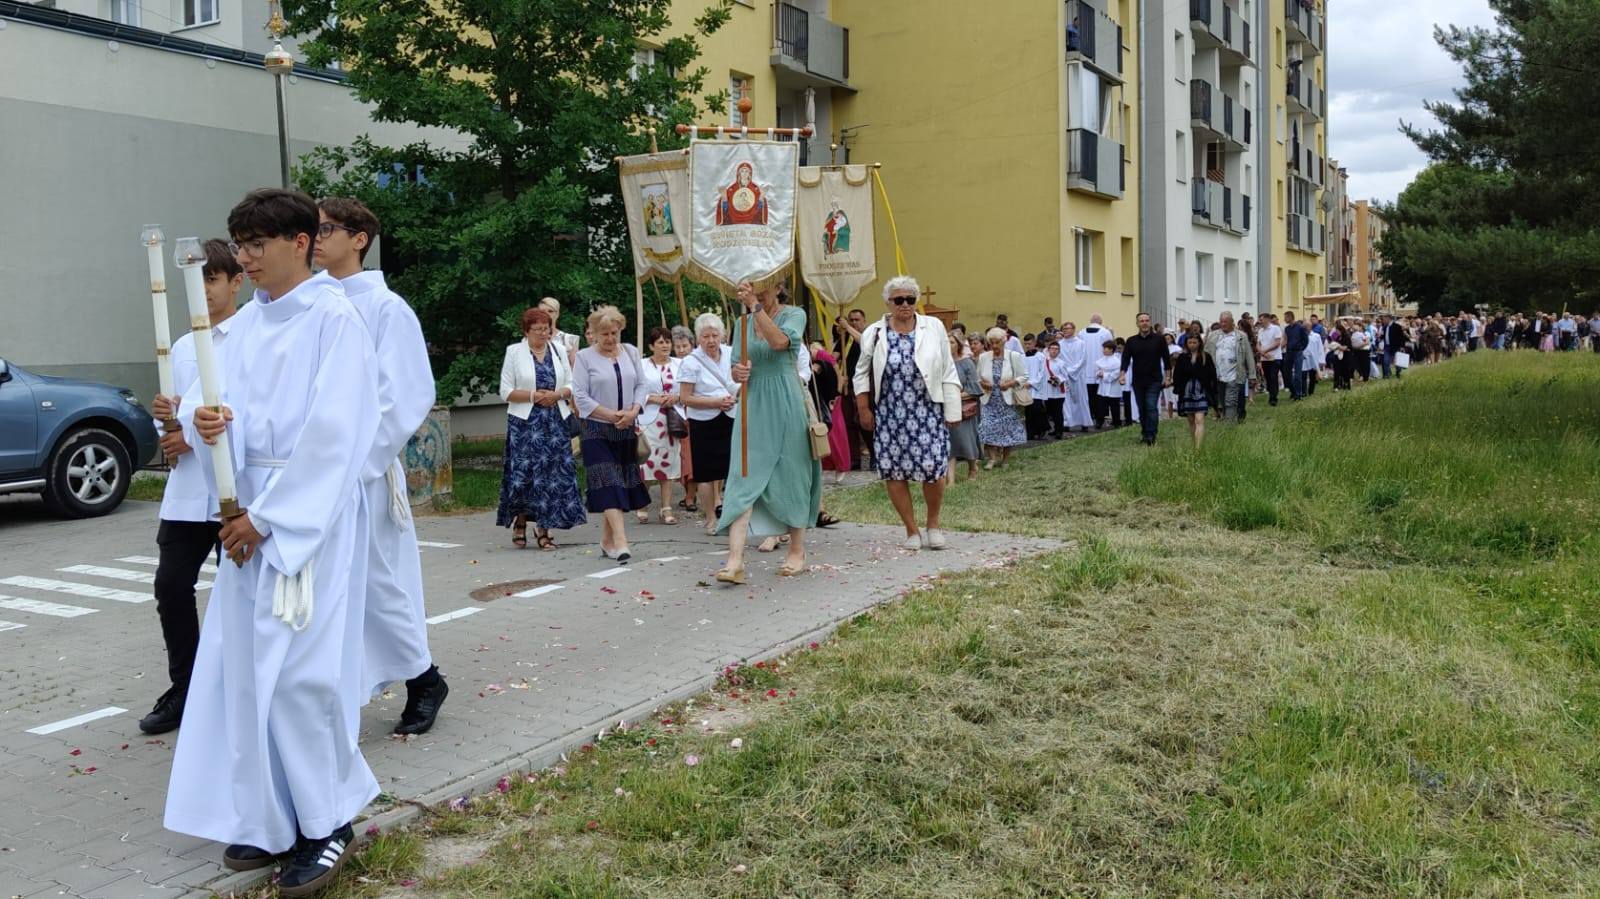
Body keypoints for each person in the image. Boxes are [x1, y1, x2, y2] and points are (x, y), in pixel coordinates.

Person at [167, 188, 380, 894]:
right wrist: (209, 426)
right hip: (246, 519)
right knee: (246, 672)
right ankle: (271, 819)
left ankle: (329, 822)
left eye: (257, 244)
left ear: (301, 243)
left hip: (302, 522)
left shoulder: (335, 319)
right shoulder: (249, 324)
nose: (246, 257)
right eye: (240, 244)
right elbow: (227, 413)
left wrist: (267, 517)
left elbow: (336, 434)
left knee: (300, 678)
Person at [314, 197, 447, 735]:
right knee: (332, 588)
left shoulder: (386, 308)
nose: (315, 239)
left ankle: (424, 678)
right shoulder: (313, 303)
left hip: (361, 473)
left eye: (326, 229)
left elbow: (406, 396)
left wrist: (354, 462)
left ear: (359, 239)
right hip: (316, 470)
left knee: (376, 582)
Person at [140, 239, 244, 736]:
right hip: (187, 491)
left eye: (212, 278)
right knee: (171, 586)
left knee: (235, 593)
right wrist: (168, 420)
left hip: (232, 488)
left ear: (236, 282)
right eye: (195, 280)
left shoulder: (251, 337)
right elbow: (181, 410)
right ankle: (185, 686)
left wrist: (190, 427)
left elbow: (247, 407)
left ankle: (233, 686)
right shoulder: (182, 347)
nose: (203, 290)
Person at [715, 281, 821, 584]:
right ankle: (735, 560)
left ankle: (797, 551)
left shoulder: (794, 314)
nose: (756, 291)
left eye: (762, 286)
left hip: (786, 397)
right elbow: (735, 364)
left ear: (778, 286)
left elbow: (779, 342)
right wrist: (738, 372)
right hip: (753, 401)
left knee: (792, 471)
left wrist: (755, 306)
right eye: (752, 287)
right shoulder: (742, 323)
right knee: (742, 473)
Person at [852, 276, 961, 550]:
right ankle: (911, 530)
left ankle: (933, 524)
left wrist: (953, 408)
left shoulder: (933, 327)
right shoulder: (874, 332)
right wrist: (864, 408)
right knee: (894, 472)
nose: (905, 304)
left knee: (934, 469)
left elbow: (947, 368)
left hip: (928, 410)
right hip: (890, 413)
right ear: (888, 303)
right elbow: (861, 373)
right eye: (898, 299)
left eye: (910, 299)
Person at [497, 306, 586, 552]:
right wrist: (534, 396)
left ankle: (544, 528)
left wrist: (557, 394)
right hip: (524, 423)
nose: (543, 334)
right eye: (537, 330)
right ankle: (521, 521)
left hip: (555, 420)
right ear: (526, 331)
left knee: (551, 476)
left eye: (546, 329)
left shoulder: (558, 350)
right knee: (524, 475)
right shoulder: (514, 352)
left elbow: (572, 383)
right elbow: (505, 391)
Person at [571, 306, 651, 562]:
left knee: (620, 483)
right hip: (596, 429)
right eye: (604, 334)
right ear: (594, 333)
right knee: (608, 482)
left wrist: (633, 411)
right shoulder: (584, 357)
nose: (610, 338)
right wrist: (610, 415)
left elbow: (642, 384)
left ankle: (606, 541)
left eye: (614, 333)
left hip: (626, 428)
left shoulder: (631, 352)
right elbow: (579, 395)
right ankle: (621, 542)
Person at [679, 313, 736, 534]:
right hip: (703, 421)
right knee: (705, 473)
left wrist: (734, 398)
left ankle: (732, 516)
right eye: (705, 336)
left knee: (732, 470)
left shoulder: (731, 353)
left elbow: (741, 382)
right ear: (698, 338)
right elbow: (685, 398)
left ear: (722, 335)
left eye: (714, 335)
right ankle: (710, 518)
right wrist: (714, 402)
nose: (711, 340)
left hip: (731, 416)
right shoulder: (691, 361)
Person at [637, 326, 683, 524]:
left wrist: (677, 397)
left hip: (672, 420)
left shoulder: (680, 364)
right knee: (647, 462)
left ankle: (666, 507)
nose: (665, 345)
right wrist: (652, 398)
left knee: (669, 464)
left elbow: (688, 388)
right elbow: (635, 391)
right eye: (660, 342)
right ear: (651, 346)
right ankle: (642, 504)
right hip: (650, 420)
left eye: (667, 341)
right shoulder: (642, 365)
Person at [976, 326, 1029, 468]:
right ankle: (992, 459)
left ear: (1004, 341)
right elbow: (977, 378)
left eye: (997, 342)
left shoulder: (1013, 356)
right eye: (991, 343)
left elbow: (1024, 376)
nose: (994, 346)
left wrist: (1011, 383)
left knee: (1007, 429)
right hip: (989, 400)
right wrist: (983, 384)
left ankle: (1005, 459)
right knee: (987, 427)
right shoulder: (983, 357)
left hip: (1007, 399)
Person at [1119, 312, 1167, 445]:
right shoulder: (1131, 341)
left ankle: (1151, 434)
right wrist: (1122, 375)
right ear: (1137, 324)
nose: (1144, 323)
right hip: (1138, 381)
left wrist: (1168, 377)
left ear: (1150, 323)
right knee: (1142, 408)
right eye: (1141, 321)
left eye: (1146, 320)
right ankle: (1145, 433)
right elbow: (1125, 359)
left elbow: (1166, 359)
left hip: (1154, 379)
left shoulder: (1159, 339)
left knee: (1151, 406)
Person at [834, 307, 873, 472]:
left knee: (865, 422)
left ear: (864, 321)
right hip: (847, 386)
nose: (854, 322)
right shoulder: (844, 339)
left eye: (857, 320)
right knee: (849, 423)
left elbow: (864, 343)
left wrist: (848, 328)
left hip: (864, 387)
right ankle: (854, 458)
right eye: (851, 320)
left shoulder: (868, 335)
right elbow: (834, 357)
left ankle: (874, 455)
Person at [1204, 312, 1255, 422]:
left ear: (1232, 322)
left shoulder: (1241, 336)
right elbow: (1206, 353)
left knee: (1230, 400)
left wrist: (1252, 375)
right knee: (1221, 400)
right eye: (1221, 322)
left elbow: (1248, 355)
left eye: (1225, 322)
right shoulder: (1213, 336)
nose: (1223, 324)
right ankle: (1226, 417)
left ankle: (1230, 423)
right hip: (1218, 374)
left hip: (1235, 373)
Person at [947, 333, 983, 482]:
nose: (948, 345)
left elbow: (975, 389)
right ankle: (950, 481)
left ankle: (973, 467)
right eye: (946, 342)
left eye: (951, 342)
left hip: (964, 408)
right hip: (946, 408)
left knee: (965, 440)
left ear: (959, 345)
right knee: (949, 443)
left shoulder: (967, 363)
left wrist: (953, 396)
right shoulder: (942, 363)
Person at [1171, 332, 1215, 448]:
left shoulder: (1206, 357)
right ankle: (1194, 443)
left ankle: (1198, 448)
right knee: (1191, 419)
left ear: (1199, 343)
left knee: (1199, 419)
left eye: (1194, 342)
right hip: (1187, 390)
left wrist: (1212, 391)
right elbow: (1177, 374)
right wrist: (1177, 388)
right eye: (1190, 342)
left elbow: (1212, 374)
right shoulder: (1183, 357)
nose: (1192, 345)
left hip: (1201, 390)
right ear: (1186, 343)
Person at [670, 325, 697, 510]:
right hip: (674, 415)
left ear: (692, 345)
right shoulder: (671, 364)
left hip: (693, 412)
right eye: (678, 346)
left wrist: (680, 397)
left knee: (690, 456)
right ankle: (688, 491)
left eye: (684, 346)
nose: (681, 350)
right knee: (679, 456)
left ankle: (690, 496)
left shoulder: (697, 362)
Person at [1056, 322, 1094, 432]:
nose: (1065, 330)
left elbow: (1083, 359)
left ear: (1073, 329)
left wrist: (1072, 371)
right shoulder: (1060, 344)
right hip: (1065, 376)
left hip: (1078, 376)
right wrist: (1064, 372)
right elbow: (1058, 360)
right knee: (1066, 400)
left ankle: (1084, 422)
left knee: (1081, 398)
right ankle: (1067, 423)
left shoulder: (1081, 343)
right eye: (1063, 329)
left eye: (1067, 328)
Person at [1090, 339, 1123, 428]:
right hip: (1103, 387)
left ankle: (1116, 423)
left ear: (1111, 349)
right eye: (1103, 348)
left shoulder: (1117, 361)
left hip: (1113, 387)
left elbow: (1116, 373)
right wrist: (1099, 374)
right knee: (1101, 406)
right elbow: (1096, 371)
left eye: (1105, 348)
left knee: (1114, 406)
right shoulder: (1100, 360)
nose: (1103, 350)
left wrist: (1104, 374)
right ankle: (1099, 422)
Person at [539, 296, 580, 363]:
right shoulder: (530, 339)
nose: (546, 314)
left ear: (557, 314)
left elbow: (574, 367)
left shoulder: (570, 340)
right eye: (542, 312)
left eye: (550, 311)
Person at [1256, 313, 1285, 405]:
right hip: (1264, 359)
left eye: (1261, 320)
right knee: (1268, 377)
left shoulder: (1275, 329)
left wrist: (1265, 351)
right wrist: (1262, 353)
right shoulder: (1260, 331)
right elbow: (1258, 344)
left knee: (1273, 377)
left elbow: (1277, 343)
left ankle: (1273, 398)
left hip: (1275, 357)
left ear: (1267, 319)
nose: (1260, 322)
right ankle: (1271, 392)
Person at [1283, 310, 1309, 396]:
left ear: (1290, 317)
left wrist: (1301, 348)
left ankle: (1298, 394)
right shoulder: (1287, 329)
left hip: (1298, 352)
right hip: (1289, 352)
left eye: (1286, 317)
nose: (1284, 319)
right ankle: (1293, 391)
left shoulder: (1300, 327)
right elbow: (1286, 340)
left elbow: (1306, 340)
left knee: (1298, 375)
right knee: (1287, 374)